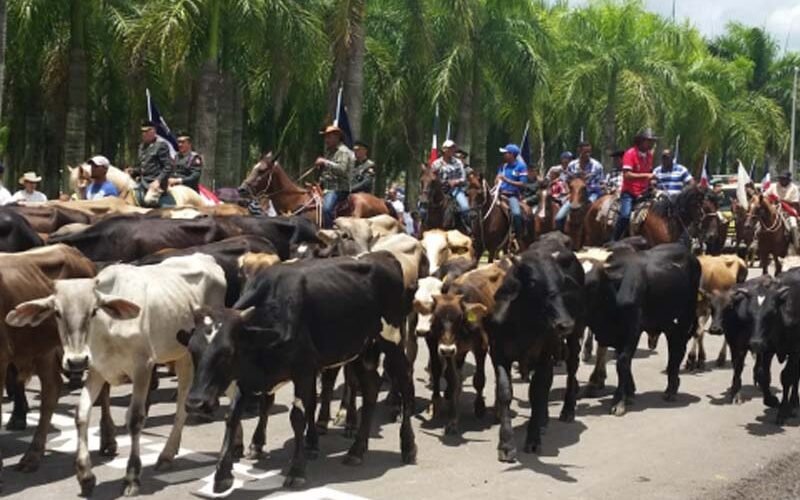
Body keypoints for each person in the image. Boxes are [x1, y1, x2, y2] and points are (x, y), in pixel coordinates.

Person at [613, 128, 658, 241]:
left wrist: (651, 181)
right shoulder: (630, 154)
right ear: (641, 141)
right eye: (649, 141)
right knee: (625, 216)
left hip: (645, 191)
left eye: (653, 141)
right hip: (630, 192)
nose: (652, 144)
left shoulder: (649, 156)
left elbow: (648, 172)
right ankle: (614, 240)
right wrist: (646, 176)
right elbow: (627, 175)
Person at [555, 141, 604, 231]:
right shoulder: (572, 165)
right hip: (575, 194)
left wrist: (586, 186)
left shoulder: (597, 166)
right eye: (585, 152)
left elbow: (600, 184)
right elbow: (566, 180)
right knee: (559, 218)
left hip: (591, 194)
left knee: (593, 214)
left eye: (589, 152)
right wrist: (569, 192)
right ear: (579, 151)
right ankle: (561, 235)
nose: (587, 155)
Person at [315, 125, 355, 228]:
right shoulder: (330, 152)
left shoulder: (343, 151)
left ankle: (330, 234)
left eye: (329, 137)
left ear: (337, 137)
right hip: (326, 186)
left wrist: (325, 162)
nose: (326, 139)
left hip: (338, 188)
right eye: (325, 137)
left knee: (326, 209)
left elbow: (342, 169)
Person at [431, 139, 471, 231]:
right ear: (444, 150)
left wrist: (455, 182)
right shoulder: (436, 164)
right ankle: (422, 225)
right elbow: (432, 177)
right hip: (440, 190)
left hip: (455, 190)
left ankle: (469, 228)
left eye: (453, 148)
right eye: (450, 148)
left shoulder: (458, 162)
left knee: (465, 207)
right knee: (423, 205)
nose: (453, 150)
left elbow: (463, 178)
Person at [132, 120, 173, 206]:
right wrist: (132, 171)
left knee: (148, 201)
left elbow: (168, 166)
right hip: (143, 183)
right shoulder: (142, 147)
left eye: (147, 131)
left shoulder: (161, 145)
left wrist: (158, 180)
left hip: (156, 184)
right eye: (142, 131)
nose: (144, 134)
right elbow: (144, 166)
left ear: (153, 131)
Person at [495, 144, 528, 240]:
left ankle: (517, 236)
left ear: (512, 154)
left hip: (512, 196)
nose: (504, 155)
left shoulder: (521, 167)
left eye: (505, 153)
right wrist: (496, 180)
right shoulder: (503, 166)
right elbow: (498, 177)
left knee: (516, 214)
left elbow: (523, 184)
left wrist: (507, 180)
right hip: (499, 193)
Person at [765, 170, 800, 248]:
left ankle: (796, 244)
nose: (782, 180)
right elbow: (765, 196)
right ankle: (756, 241)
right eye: (781, 178)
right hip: (774, 209)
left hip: (788, 211)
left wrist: (781, 201)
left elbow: (795, 203)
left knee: (793, 223)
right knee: (760, 221)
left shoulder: (794, 188)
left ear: (788, 179)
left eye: (784, 178)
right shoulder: (773, 186)